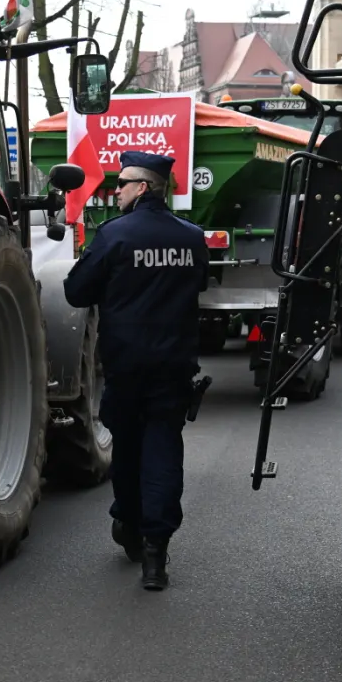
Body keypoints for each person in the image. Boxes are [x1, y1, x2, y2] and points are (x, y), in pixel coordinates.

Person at [63, 150, 209, 591]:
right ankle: (156, 553)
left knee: (127, 450)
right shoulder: (191, 237)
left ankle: (128, 522)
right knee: (164, 449)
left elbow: (74, 292)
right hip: (174, 366)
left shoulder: (114, 236)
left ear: (142, 187)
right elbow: (199, 284)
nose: (117, 189)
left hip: (126, 366)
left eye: (123, 183)